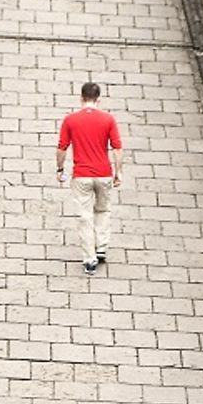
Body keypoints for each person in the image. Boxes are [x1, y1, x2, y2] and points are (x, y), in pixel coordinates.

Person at [56, 82, 123, 273]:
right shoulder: (108, 119)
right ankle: (101, 246)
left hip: (82, 175)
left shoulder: (70, 120)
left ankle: (89, 259)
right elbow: (117, 148)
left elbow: (62, 148)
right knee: (102, 210)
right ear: (98, 100)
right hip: (103, 173)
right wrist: (118, 172)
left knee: (84, 216)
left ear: (81, 98)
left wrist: (60, 169)